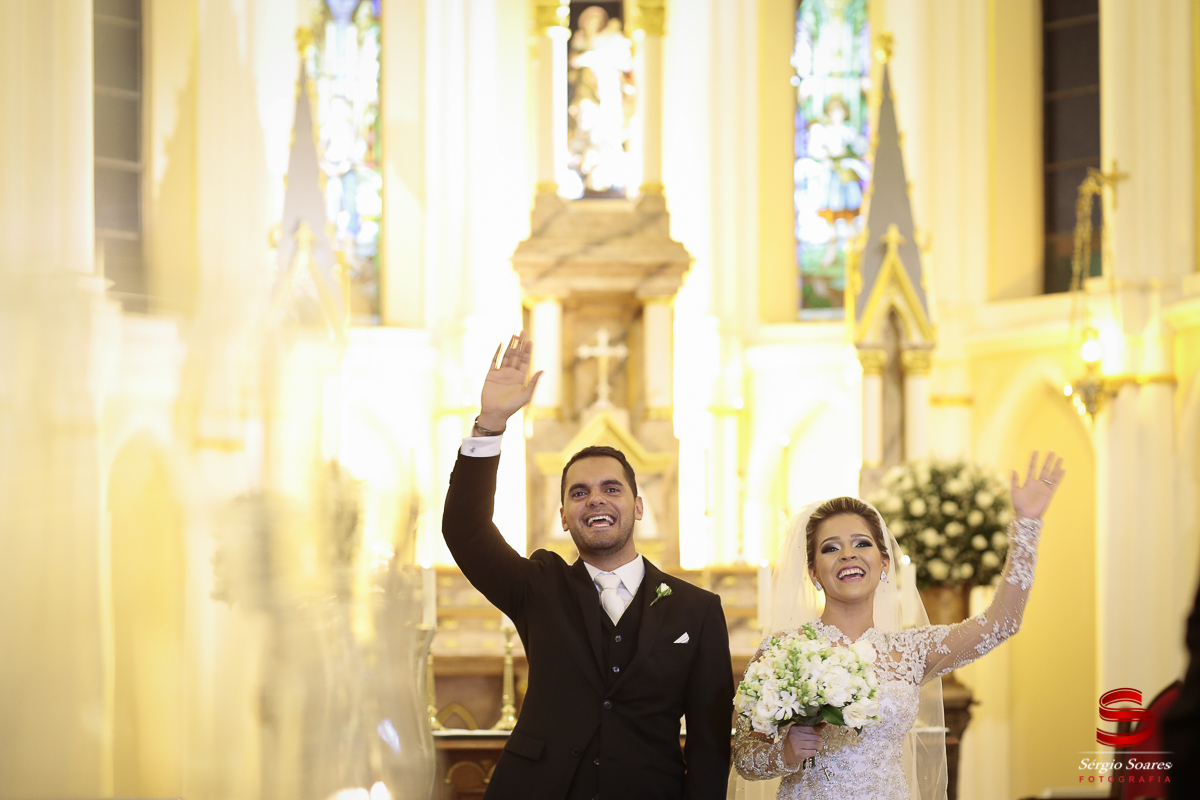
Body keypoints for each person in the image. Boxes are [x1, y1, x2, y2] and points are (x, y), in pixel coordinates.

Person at [442, 332, 735, 800]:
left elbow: (709, 742)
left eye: (610, 489)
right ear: (563, 516)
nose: (595, 499)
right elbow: (465, 531)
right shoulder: (538, 586)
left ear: (638, 507)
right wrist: (490, 423)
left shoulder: (697, 611)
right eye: (579, 493)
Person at [731, 451, 1065, 800]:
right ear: (813, 572)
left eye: (862, 543)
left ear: (884, 562)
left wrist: (1027, 525)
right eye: (831, 548)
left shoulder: (912, 650)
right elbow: (745, 759)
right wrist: (785, 754)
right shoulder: (783, 652)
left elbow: (1002, 623)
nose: (848, 554)